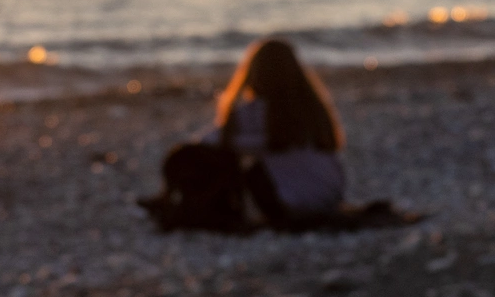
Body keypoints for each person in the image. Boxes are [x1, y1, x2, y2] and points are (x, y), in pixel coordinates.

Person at [141, 37, 346, 231]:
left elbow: (204, 143)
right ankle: (170, 200)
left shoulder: (256, 112)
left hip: (291, 205)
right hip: (331, 196)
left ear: (253, 74)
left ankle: (172, 200)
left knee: (238, 164)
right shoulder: (313, 111)